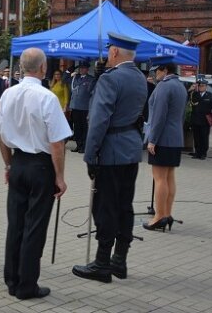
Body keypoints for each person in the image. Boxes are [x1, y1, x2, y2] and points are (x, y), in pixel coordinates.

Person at [73, 32, 147, 284]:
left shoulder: (109, 79)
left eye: (109, 51)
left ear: (114, 52)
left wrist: (90, 154)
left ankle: (102, 263)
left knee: (104, 207)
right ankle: (120, 260)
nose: (106, 56)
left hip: (110, 150)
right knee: (125, 206)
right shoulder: (139, 77)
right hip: (131, 148)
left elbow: (98, 121)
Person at [0, 47, 69, 300]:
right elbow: (57, 143)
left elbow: (1, 136)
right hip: (40, 166)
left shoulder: (8, 94)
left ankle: (12, 279)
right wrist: (59, 176)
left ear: (21, 67)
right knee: (34, 227)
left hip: (18, 163)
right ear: (42, 68)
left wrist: (8, 166)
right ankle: (27, 285)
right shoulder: (47, 97)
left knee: (15, 224)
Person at [143, 56, 186, 232]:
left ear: (165, 70)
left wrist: (152, 139)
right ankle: (167, 213)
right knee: (169, 177)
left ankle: (159, 216)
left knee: (159, 178)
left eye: (157, 71)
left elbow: (159, 116)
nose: (155, 74)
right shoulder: (181, 86)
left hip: (162, 138)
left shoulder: (164, 87)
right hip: (175, 138)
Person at [68, 61, 96, 153]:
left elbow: (92, 93)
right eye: (80, 68)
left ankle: (84, 146)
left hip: (85, 107)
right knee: (77, 128)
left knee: (85, 128)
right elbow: (65, 79)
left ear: (87, 69)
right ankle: (78, 145)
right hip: (75, 107)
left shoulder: (91, 79)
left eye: (83, 68)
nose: (81, 69)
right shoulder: (75, 78)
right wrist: (70, 70)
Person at [189, 78, 212, 160]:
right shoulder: (194, 94)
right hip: (196, 119)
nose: (201, 87)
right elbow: (187, 98)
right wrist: (190, 90)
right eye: (200, 86)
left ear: (206, 86)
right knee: (196, 137)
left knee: (204, 137)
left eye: (202, 86)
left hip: (205, 120)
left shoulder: (210, 96)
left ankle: (203, 153)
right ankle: (197, 152)